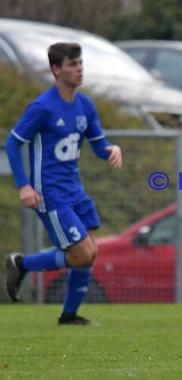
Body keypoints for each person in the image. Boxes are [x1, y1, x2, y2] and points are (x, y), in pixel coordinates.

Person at [4, 42, 122, 325]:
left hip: (75, 190)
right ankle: (23, 265)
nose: (79, 69)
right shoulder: (43, 107)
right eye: (72, 64)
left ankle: (69, 315)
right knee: (82, 253)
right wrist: (24, 185)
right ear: (56, 70)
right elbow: (12, 143)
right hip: (50, 193)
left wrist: (111, 149)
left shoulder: (84, 105)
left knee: (88, 253)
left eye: (80, 63)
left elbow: (97, 144)